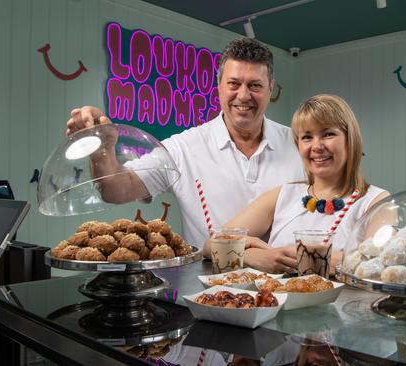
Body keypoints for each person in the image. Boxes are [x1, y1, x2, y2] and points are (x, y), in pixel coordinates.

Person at [66, 38, 304, 248]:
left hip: (289, 292)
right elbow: (118, 190)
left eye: (255, 85)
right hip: (207, 293)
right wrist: (102, 149)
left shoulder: (299, 144)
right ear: (219, 86)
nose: (243, 96)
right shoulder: (183, 148)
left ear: (270, 88)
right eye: (234, 84)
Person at [205, 94, 389, 274]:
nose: (316, 146)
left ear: (351, 140)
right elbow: (211, 245)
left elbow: (374, 264)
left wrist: (275, 254)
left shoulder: (376, 202)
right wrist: (253, 257)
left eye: (328, 134)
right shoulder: (283, 194)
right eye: (307, 137)